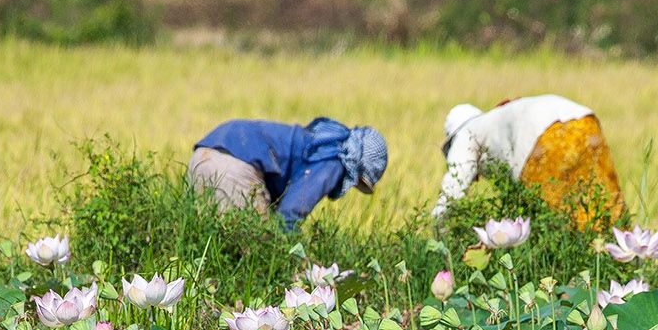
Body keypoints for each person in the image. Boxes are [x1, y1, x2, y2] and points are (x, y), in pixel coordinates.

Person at [432, 94, 623, 227]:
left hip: (545, 136)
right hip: (584, 122)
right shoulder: (495, 119)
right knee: (607, 207)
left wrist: (436, 233)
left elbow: (453, 189)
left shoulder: (466, 133)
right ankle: (629, 271)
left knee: (556, 221)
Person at [188, 117, 388, 231]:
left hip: (204, 154)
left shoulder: (318, 141)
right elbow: (291, 212)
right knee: (258, 249)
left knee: (214, 242)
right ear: (359, 168)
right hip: (235, 167)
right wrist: (291, 260)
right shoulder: (334, 160)